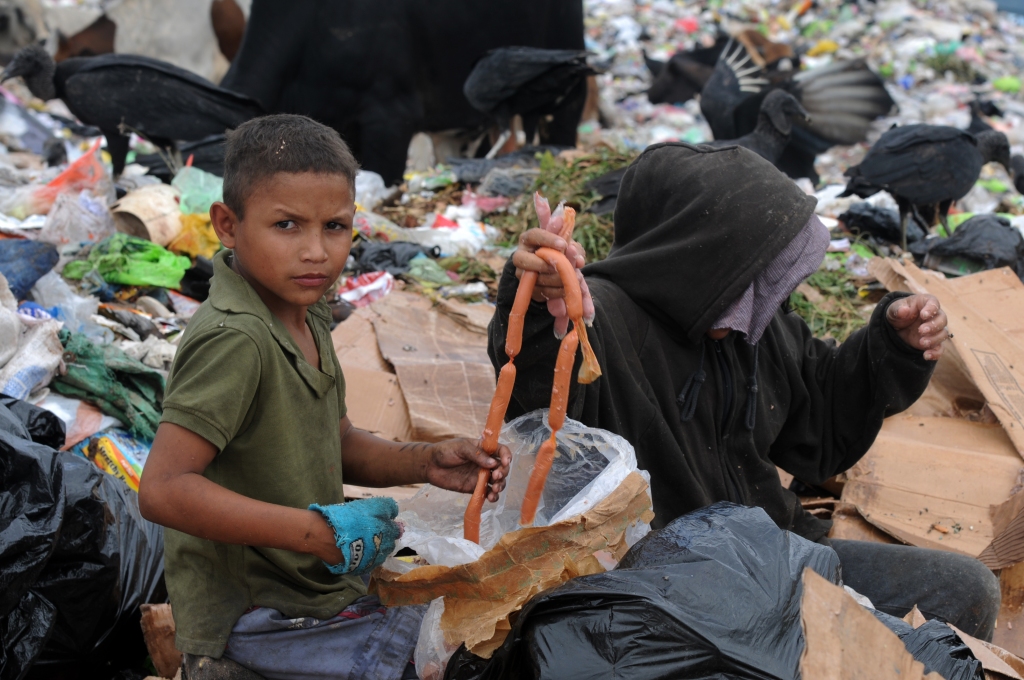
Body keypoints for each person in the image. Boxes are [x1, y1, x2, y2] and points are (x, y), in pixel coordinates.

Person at [488, 142, 1000, 640]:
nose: (755, 298)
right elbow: (540, 403)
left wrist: (893, 344)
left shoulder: (754, 324)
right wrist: (538, 302)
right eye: (739, 274)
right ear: (691, 255)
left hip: (776, 550)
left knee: (964, 589)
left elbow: (821, 423)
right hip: (665, 585)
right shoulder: (602, 317)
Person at [139, 114, 512, 680]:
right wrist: (318, 533)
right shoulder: (236, 339)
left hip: (312, 588)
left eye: (334, 227)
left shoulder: (306, 313)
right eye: (287, 225)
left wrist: (426, 461)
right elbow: (164, 491)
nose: (316, 251)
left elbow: (334, 440)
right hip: (255, 619)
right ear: (227, 224)